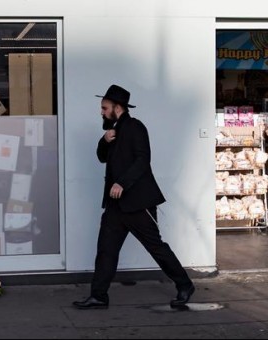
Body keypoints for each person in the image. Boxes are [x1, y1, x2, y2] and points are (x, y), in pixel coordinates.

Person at [73, 84, 195, 310]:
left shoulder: (136, 127)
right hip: (115, 206)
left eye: (104, 108)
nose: (101, 112)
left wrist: (122, 183)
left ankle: (185, 284)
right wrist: (104, 140)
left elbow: (143, 160)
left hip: (138, 203)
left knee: (156, 248)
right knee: (106, 250)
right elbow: (101, 158)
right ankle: (99, 296)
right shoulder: (113, 131)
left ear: (117, 108)